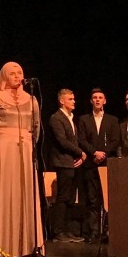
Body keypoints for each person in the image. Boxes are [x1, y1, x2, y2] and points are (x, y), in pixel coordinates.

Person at [0, 61, 44, 257]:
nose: (17, 76)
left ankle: (27, 246)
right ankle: (1, 245)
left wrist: (29, 143)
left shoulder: (32, 99)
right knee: (5, 191)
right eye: (13, 73)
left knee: (25, 193)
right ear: (5, 77)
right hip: (3, 150)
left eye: (20, 72)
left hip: (25, 149)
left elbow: (36, 127)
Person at [77, 88, 120, 243]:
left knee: (108, 199)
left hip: (106, 164)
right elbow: (81, 140)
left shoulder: (112, 120)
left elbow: (115, 141)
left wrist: (104, 154)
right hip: (90, 164)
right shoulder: (84, 119)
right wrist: (94, 152)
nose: (97, 100)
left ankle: (108, 231)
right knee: (92, 199)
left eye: (100, 97)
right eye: (94, 97)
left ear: (105, 101)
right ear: (91, 101)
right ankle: (94, 232)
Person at [47, 88, 86, 243]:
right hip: (63, 162)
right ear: (62, 101)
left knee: (70, 198)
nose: (74, 101)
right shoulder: (56, 118)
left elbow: (74, 140)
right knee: (63, 197)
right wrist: (80, 152)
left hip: (72, 162)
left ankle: (67, 230)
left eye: (73, 99)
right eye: (70, 99)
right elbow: (62, 141)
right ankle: (58, 231)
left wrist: (79, 157)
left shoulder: (70, 118)